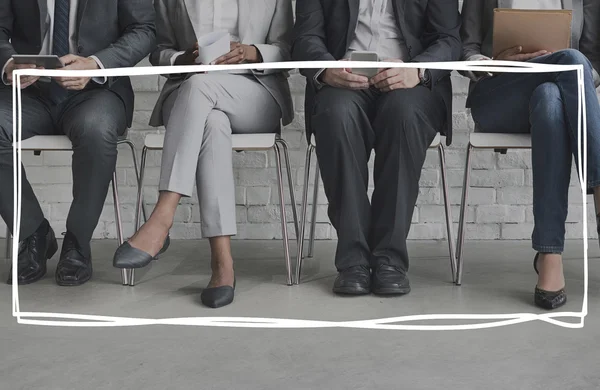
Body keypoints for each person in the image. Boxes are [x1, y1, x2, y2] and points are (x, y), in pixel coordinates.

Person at [113, 0, 294, 309]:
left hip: (255, 90)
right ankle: (222, 263)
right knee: (211, 119)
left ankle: (161, 218)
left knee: (201, 88)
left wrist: (252, 52)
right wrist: (183, 57)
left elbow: (288, 50)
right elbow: (160, 51)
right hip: (189, 96)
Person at [292, 0, 461, 296]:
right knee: (337, 116)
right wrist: (327, 69)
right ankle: (353, 261)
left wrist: (417, 71)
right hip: (342, 81)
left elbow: (449, 39)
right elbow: (306, 37)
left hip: (410, 83)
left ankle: (389, 260)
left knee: (403, 117)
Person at [0, 0, 156, 286]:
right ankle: (33, 232)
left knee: (95, 129)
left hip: (97, 91)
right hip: (30, 92)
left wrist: (96, 63)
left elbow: (144, 29)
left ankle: (78, 241)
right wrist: (10, 61)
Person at [460, 0, 600, 310]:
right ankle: (598, 182)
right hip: (500, 95)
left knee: (550, 98)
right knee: (572, 61)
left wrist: (565, 70)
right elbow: (464, 49)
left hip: (562, 98)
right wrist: (495, 61)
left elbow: (595, 61)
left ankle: (550, 254)